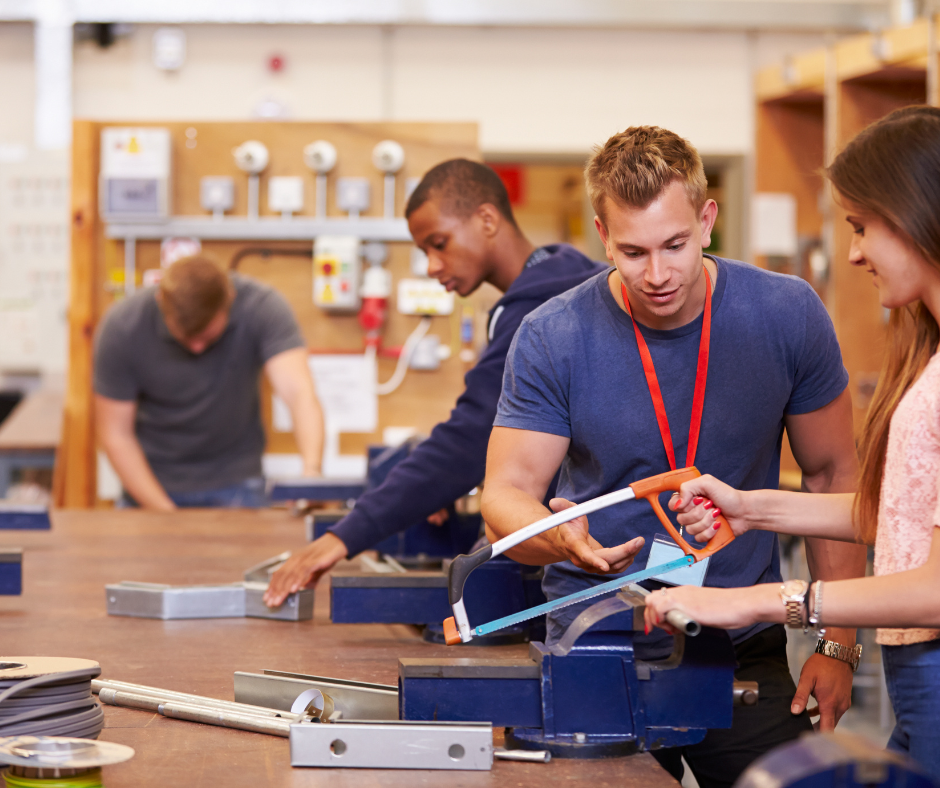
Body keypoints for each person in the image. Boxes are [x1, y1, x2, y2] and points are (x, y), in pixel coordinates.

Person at [481, 126, 867, 788]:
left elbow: (834, 475)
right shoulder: (553, 334)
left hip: (742, 641)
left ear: (708, 220)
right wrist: (555, 536)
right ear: (602, 234)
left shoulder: (787, 315)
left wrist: (839, 646)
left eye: (674, 246)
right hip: (596, 646)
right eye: (632, 252)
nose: (656, 275)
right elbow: (504, 493)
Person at [644, 105, 940, 782]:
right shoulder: (926, 358)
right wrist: (752, 508)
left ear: (921, 214)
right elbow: (897, 519)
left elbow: (936, 586)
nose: (856, 251)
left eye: (865, 227)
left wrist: (763, 600)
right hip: (918, 677)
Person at [263, 159, 607, 606]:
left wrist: (342, 539)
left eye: (438, 243)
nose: (430, 265)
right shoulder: (560, 283)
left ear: (487, 219)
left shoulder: (539, 311)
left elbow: (467, 439)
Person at [94, 255, 324, 510]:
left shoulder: (262, 307)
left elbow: (299, 394)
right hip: (149, 483)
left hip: (237, 484)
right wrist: (166, 514)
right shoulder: (122, 326)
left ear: (230, 299)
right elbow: (116, 435)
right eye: (186, 336)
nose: (196, 347)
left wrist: (311, 473)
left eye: (206, 335)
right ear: (161, 302)